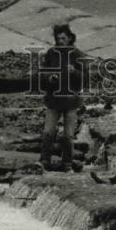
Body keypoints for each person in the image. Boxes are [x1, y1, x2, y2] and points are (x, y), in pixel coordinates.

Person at [34, 24, 89, 170]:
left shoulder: (78, 55)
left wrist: (74, 73)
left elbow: (86, 78)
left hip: (71, 101)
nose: (61, 41)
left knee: (68, 135)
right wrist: (49, 78)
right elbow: (41, 74)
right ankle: (44, 161)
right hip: (53, 100)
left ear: (70, 38)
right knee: (48, 132)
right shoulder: (51, 53)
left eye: (63, 38)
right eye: (58, 39)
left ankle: (67, 163)